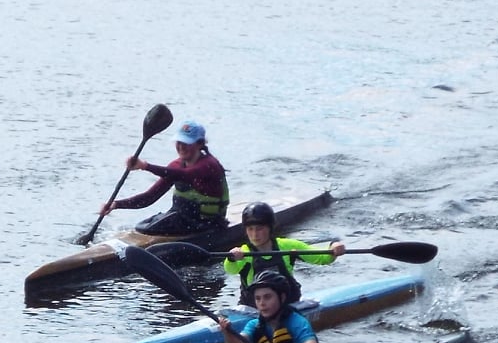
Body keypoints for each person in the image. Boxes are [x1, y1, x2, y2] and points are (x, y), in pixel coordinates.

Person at [99, 120, 229, 236]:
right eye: (179, 142)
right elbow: (149, 197)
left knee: (150, 228)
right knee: (142, 226)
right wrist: (116, 204)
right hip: (183, 218)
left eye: (186, 143)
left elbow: (184, 175)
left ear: (200, 144)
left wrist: (145, 166)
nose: (181, 147)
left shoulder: (209, 165)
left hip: (208, 223)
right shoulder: (175, 166)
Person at [224, 201, 345, 305]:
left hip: (287, 305)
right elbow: (230, 269)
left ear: (270, 228)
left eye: (259, 229)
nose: (255, 234)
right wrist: (232, 258)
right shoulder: (244, 252)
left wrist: (333, 248)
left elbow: (321, 258)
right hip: (254, 310)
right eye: (250, 229)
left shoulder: (287, 246)